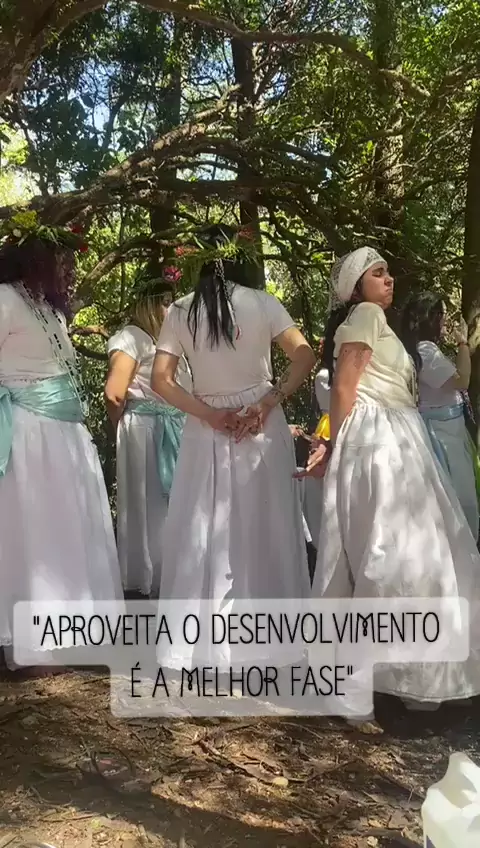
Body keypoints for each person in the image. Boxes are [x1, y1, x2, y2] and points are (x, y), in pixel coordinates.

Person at [302, 246, 480, 719]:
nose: (388, 279)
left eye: (388, 272)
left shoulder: (378, 321)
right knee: (390, 552)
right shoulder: (365, 314)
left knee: (413, 551)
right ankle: (377, 676)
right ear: (356, 287)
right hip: (378, 439)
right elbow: (345, 387)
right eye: (377, 273)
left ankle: (408, 674)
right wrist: (333, 444)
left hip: (399, 436)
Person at [150, 224, 315, 671]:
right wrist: (268, 401)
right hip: (261, 421)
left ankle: (203, 646)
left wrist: (208, 414)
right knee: (268, 526)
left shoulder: (180, 310)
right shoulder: (263, 302)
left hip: (206, 427)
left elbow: (161, 380)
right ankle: (273, 643)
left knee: (205, 532)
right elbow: (304, 355)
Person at [0, 212, 122, 675]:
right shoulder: (5, 300)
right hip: (28, 433)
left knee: (67, 532)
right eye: (61, 261)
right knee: (35, 534)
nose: (68, 270)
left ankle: (69, 633)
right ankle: (30, 647)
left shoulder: (52, 311)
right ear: (37, 259)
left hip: (66, 435)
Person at [105, 266, 191, 599]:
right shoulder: (131, 337)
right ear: (148, 304)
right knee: (148, 505)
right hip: (144, 429)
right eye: (165, 302)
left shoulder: (167, 344)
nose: (170, 310)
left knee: (169, 505)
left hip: (171, 426)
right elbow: (114, 393)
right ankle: (146, 580)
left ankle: (173, 574)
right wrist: (122, 427)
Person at [400, 293, 479, 540]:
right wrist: (463, 344)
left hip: (448, 430)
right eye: (442, 315)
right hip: (443, 435)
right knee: (460, 497)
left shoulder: (422, 349)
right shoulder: (425, 351)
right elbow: (462, 380)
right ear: (431, 318)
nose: (445, 321)